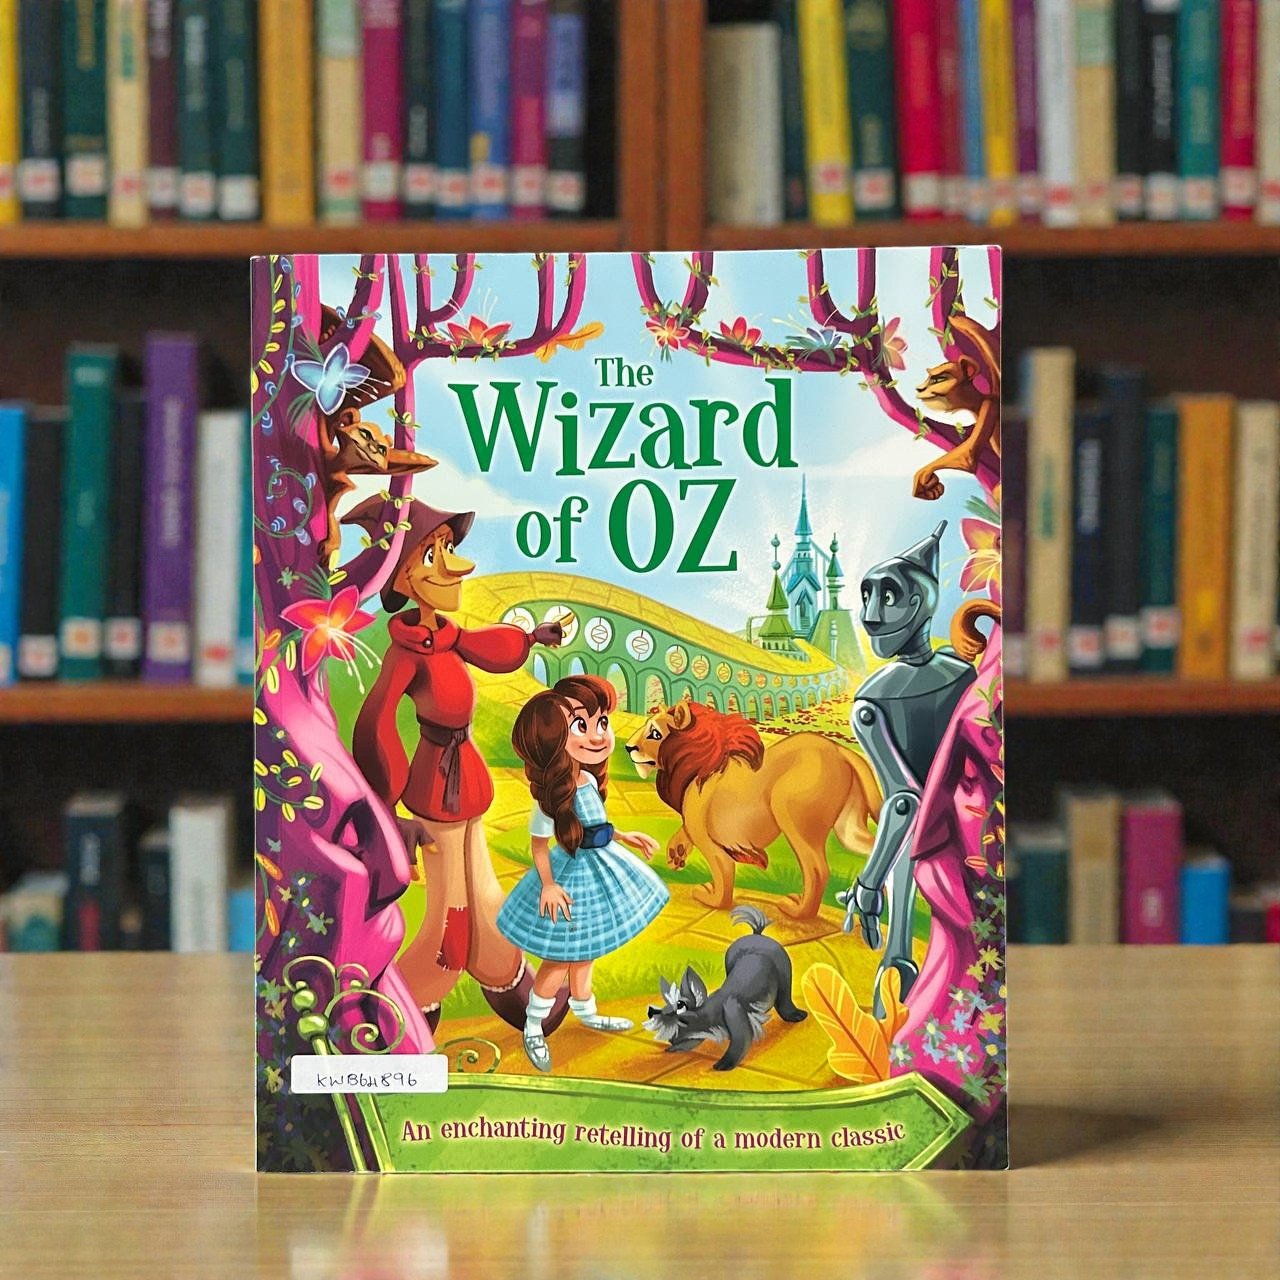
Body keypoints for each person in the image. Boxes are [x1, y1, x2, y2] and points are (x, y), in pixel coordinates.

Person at [346, 495, 565, 1033]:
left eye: (448, 548)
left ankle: (499, 966)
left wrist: (530, 639)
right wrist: (387, 807)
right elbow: (377, 720)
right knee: (450, 904)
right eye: (432, 554)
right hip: (434, 786)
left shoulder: (446, 637)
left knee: (481, 885)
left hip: (464, 777)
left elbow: (487, 647)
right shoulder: (407, 652)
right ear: (403, 576)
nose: (452, 565)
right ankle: (413, 994)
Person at [499, 675, 669, 1071]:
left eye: (602, 723)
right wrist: (548, 885)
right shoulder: (550, 799)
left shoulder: (589, 779)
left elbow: (595, 825)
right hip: (570, 877)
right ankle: (534, 1025)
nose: (597, 735)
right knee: (560, 958)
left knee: (588, 949)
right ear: (551, 738)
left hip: (603, 866)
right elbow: (539, 846)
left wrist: (625, 836)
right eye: (581, 725)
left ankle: (585, 1009)